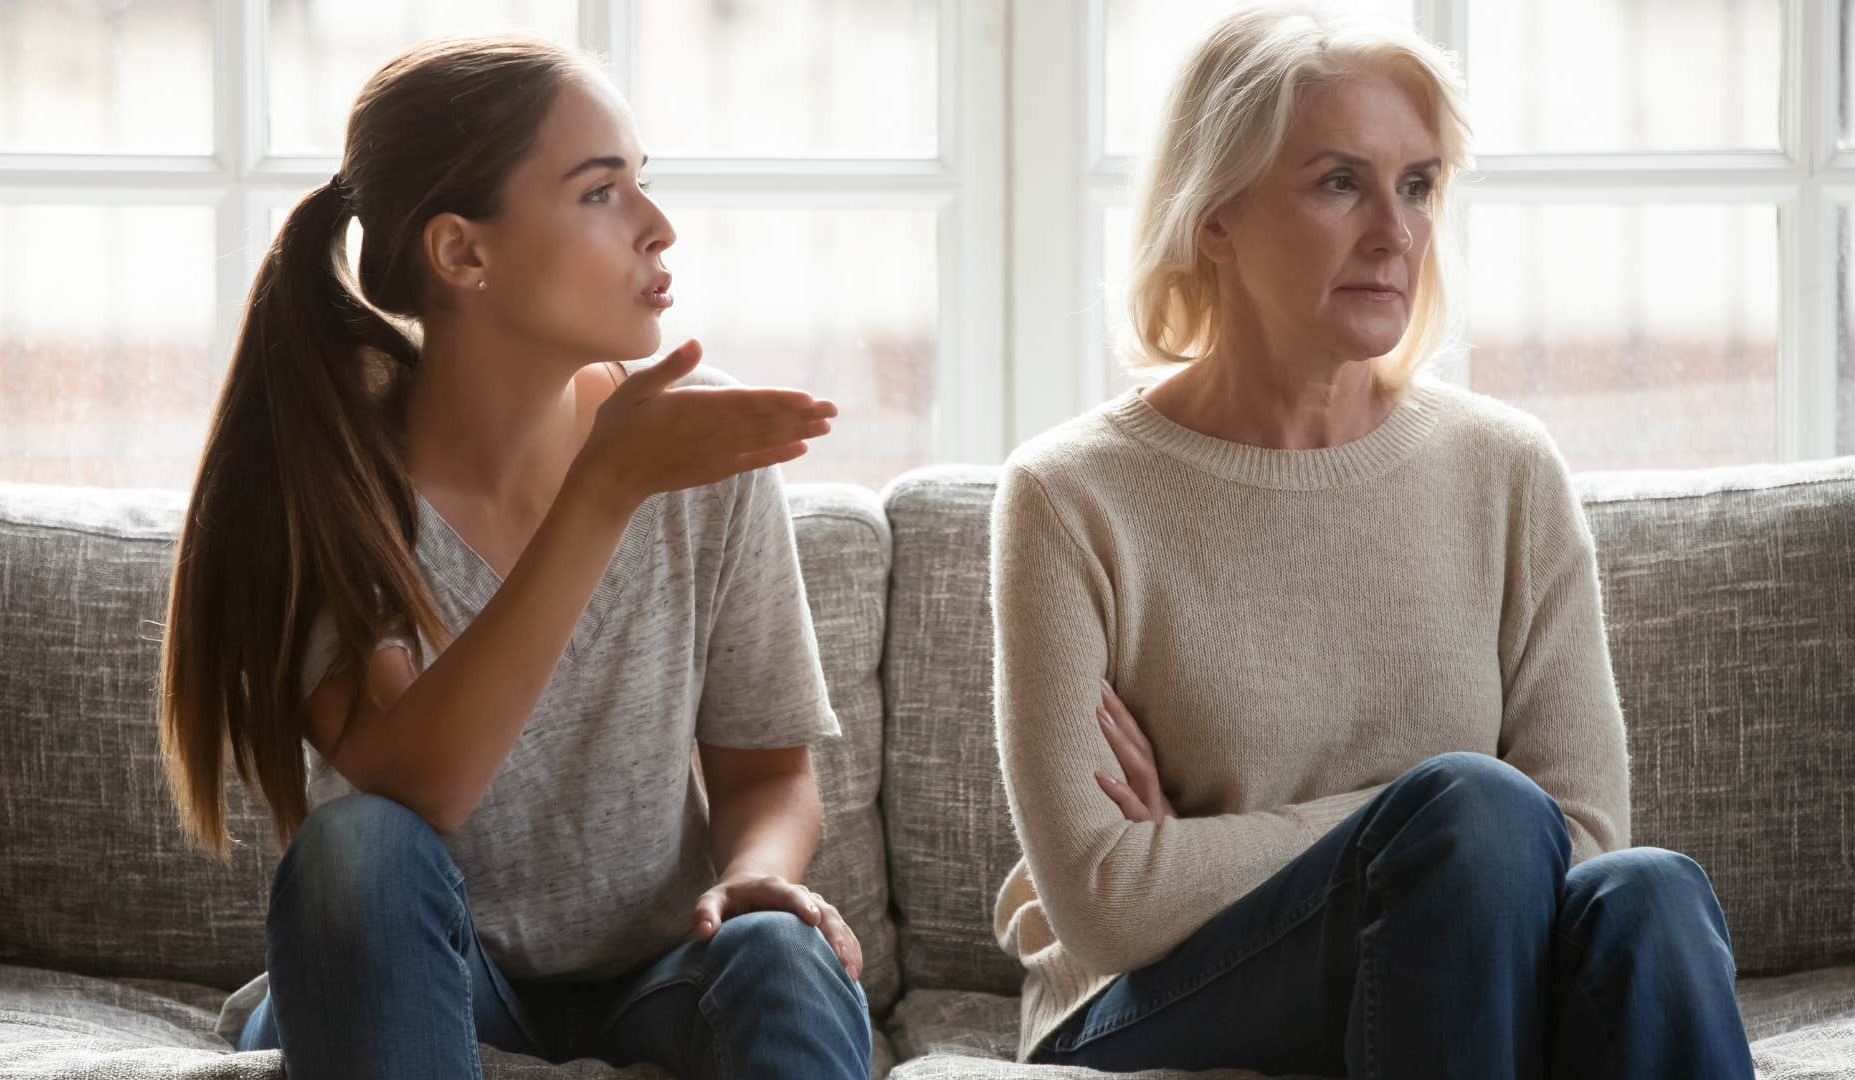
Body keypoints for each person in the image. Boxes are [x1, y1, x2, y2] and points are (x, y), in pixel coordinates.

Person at [988, 5, 1755, 1076]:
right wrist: (1422, 829)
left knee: (1652, 897)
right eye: (1339, 181)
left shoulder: (1507, 469)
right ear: (1215, 214)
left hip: (1464, 977)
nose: (1395, 232)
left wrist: (1252, 845)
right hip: (1150, 1001)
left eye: (1418, 184)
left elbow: (1582, 836)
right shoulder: (1070, 497)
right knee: (1480, 811)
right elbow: (1109, 901)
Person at [155, 34, 870, 1080]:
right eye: (599, 193)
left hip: (659, 985)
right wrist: (606, 488)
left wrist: (759, 877)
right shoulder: (325, 486)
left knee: (782, 950)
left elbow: (768, 772)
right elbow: (415, 790)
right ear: (462, 253)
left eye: (644, 185)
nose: (658, 227)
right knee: (358, 849)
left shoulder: (699, 447)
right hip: (416, 983)